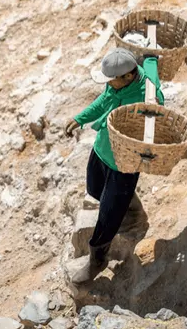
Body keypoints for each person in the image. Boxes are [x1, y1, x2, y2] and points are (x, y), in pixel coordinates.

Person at [63, 47, 165, 283]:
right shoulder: (118, 83)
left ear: (128, 76)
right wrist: (80, 118)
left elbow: (154, 80)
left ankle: (97, 259)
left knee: (108, 216)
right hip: (103, 148)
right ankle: (132, 209)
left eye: (112, 79)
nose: (109, 84)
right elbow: (103, 101)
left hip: (124, 163)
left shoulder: (147, 95)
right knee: (95, 189)